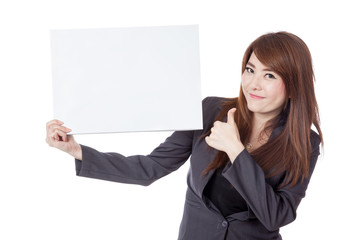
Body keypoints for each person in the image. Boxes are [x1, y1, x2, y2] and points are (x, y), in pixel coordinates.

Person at [46, 31, 323, 240]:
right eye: (250, 70)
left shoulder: (304, 142)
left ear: (293, 84)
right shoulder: (209, 110)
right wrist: (77, 150)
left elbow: (277, 215)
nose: (253, 83)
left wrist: (236, 151)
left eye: (270, 75)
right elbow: (150, 168)